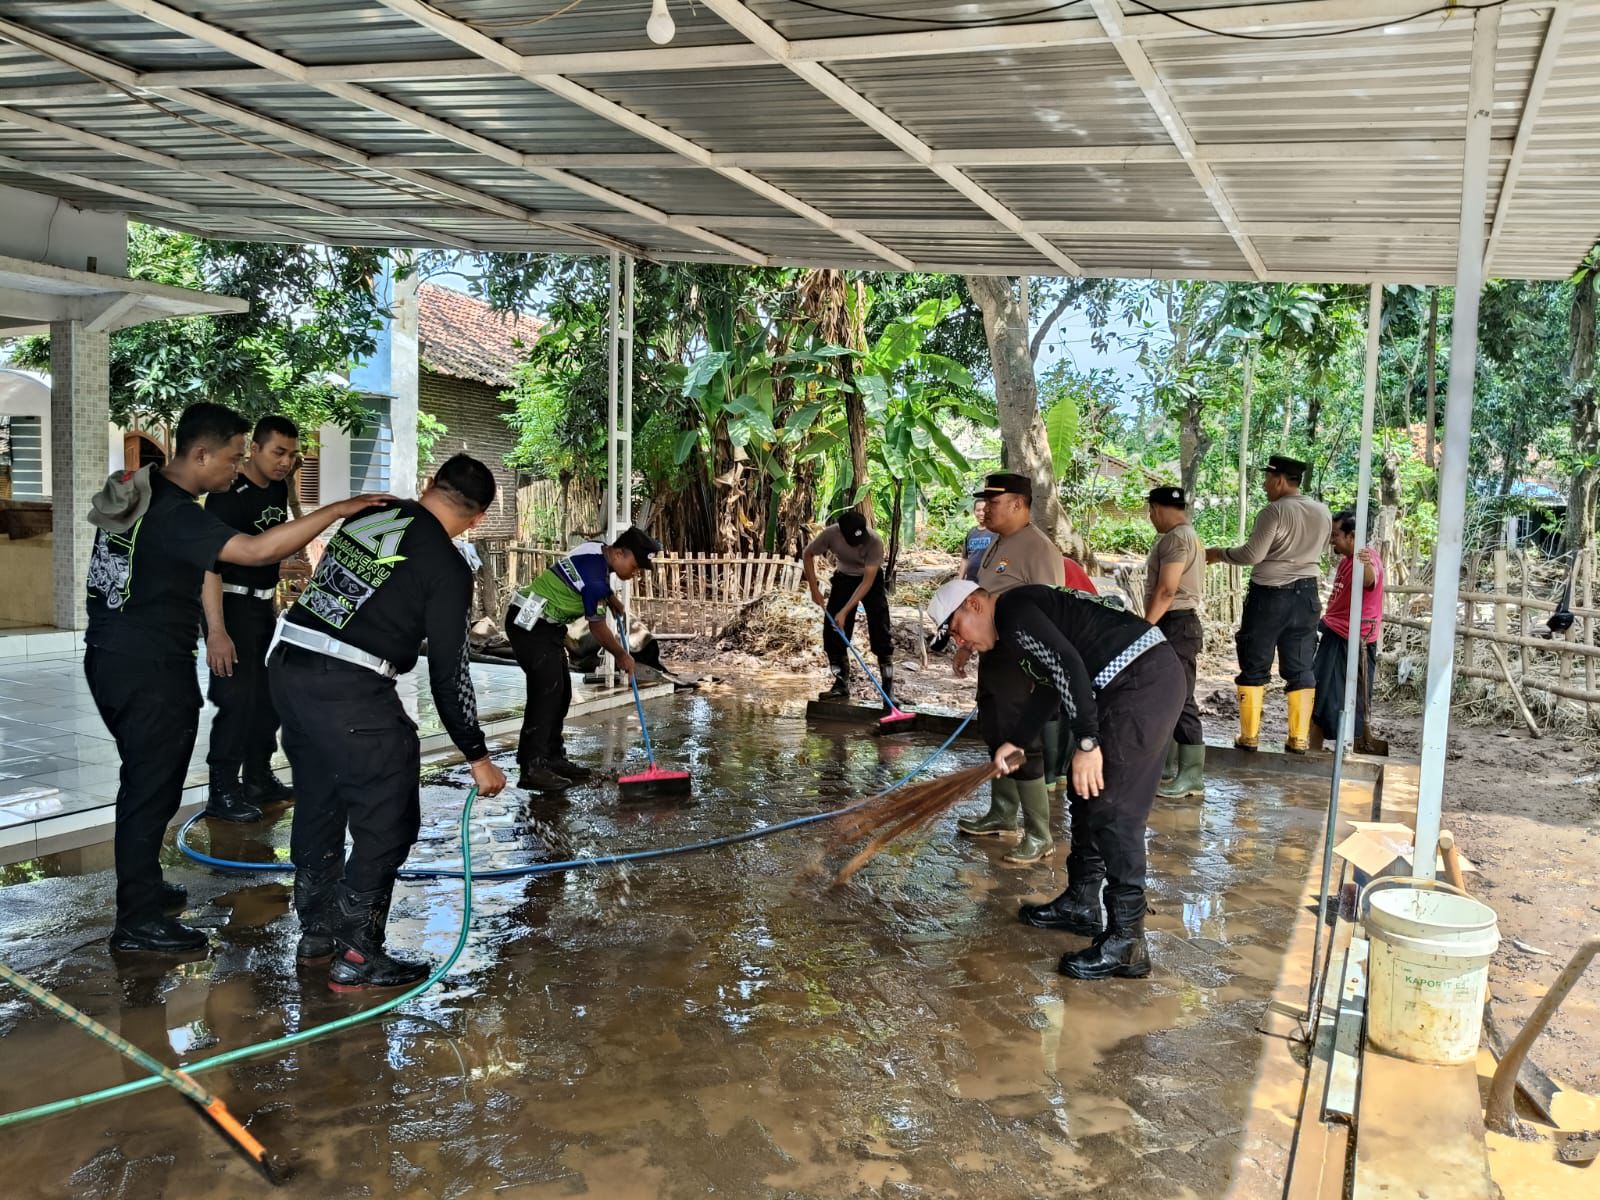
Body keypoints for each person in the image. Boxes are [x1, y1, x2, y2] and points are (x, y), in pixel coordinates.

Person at [83, 401, 389, 954]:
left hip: (110, 652)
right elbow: (251, 550)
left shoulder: (137, 486)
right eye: (230, 457)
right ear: (200, 454)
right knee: (150, 790)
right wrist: (338, 509)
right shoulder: (175, 512)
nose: (235, 467)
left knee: (145, 779)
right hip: (148, 667)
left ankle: (145, 890)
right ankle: (136, 923)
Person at [272, 454, 508, 990]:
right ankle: (357, 955)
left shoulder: (372, 515)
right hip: (347, 687)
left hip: (289, 667)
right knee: (389, 815)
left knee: (320, 796)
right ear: (477, 519)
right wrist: (478, 757)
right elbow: (451, 675)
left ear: (430, 485)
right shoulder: (447, 566)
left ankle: (317, 931)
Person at [928, 580, 1184, 980]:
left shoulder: (1012, 611)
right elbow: (1051, 685)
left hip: (1142, 680)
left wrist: (1086, 742)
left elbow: (1068, 663)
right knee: (1087, 795)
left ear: (975, 604)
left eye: (956, 628)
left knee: (1115, 809)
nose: (961, 641)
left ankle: (1128, 941)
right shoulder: (1016, 623)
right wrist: (1015, 741)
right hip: (1127, 682)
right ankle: (1082, 902)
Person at [952, 472, 1064, 865]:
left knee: (1022, 740)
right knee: (996, 732)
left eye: (994, 503)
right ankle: (1002, 813)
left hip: (1022, 659)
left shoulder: (1039, 548)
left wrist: (1041, 668)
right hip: (993, 654)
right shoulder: (998, 542)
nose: (985, 509)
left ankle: (1040, 834)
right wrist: (967, 648)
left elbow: (1054, 614)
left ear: (1018, 504)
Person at [200, 414, 300, 824]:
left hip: (262, 607)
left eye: (292, 455)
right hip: (229, 606)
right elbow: (209, 566)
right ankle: (222, 789)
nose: (285, 462)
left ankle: (258, 776)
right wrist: (217, 632)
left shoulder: (278, 486)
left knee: (268, 697)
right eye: (278, 452)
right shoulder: (226, 494)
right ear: (254, 449)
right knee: (236, 700)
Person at [507, 526, 660, 791]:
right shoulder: (596, 584)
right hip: (529, 626)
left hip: (545, 626)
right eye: (635, 566)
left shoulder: (595, 548)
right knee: (547, 693)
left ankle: (553, 758)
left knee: (561, 692)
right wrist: (622, 655)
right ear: (620, 553)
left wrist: (611, 598)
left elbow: (583, 573)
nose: (635, 574)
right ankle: (532, 768)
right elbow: (598, 629)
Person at [1206, 455, 1331, 753]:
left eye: (1266, 479)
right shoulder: (1323, 511)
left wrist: (1218, 553)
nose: (1264, 485)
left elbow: (1252, 555)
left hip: (1269, 595)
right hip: (1307, 595)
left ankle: (1250, 737)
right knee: (1301, 665)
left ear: (1279, 480)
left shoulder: (1273, 512)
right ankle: (1298, 738)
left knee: (1254, 660)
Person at [1143, 486, 1207, 797]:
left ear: (1158, 508)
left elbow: (1167, 590)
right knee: (1165, 695)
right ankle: (1167, 766)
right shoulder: (1186, 535)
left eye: (1151, 511)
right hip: (1175, 623)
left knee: (1180, 696)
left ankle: (1192, 775)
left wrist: (1145, 627)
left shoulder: (1177, 538)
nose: (1151, 518)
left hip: (1176, 623)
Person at [1311, 511, 1384, 751]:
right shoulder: (1346, 561)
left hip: (1352, 638)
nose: (1332, 540)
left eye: (1335, 535)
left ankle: (1342, 749)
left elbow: (1369, 580)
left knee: (1334, 697)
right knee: (1320, 694)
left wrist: (1363, 564)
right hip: (1336, 632)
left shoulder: (1367, 560)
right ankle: (1315, 748)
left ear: (1352, 536)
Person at [804, 511, 894, 707]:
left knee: (881, 629)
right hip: (844, 579)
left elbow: (866, 583)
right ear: (842, 534)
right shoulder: (830, 534)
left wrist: (844, 611)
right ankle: (840, 684)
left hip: (870, 582)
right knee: (833, 631)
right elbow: (807, 554)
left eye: (861, 539)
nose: (860, 545)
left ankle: (888, 690)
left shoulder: (875, 542)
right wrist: (813, 588)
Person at [961, 498, 995, 582]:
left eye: (984, 510)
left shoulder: (996, 532)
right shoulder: (971, 532)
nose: (981, 513)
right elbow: (965, 558)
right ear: (974, 512)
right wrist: (960, 579)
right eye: (978, 510)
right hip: (971, 580)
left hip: (988, 581)